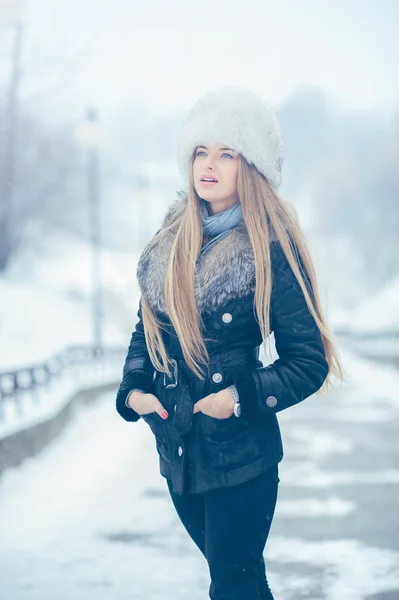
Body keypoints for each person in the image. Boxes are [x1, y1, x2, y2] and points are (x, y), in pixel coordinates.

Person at [115, 85, 344, 600]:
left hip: (241, 457)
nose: (209, 165)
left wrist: (238, 397)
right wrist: (134, 390)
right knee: (240, 585)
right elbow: (145, 331)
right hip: (178, 452)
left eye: (226, 153)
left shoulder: (271, 247)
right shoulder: (170, 241)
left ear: (251, 166)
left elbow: (308, 361)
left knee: (233, 587)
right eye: (201, 151)